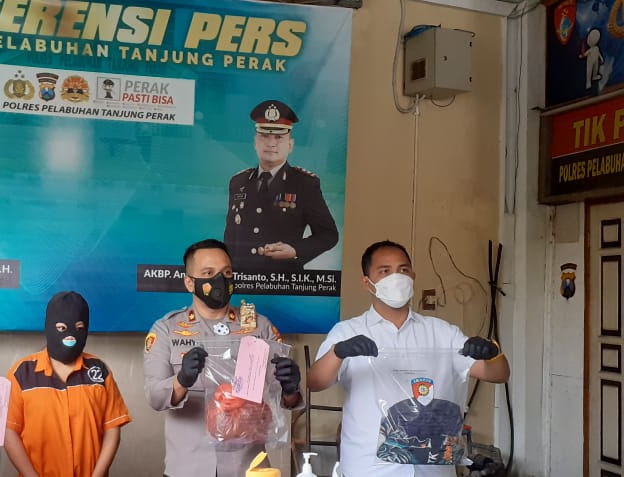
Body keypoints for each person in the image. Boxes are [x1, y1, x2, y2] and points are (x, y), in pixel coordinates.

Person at [306, 240, 511, 477]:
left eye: (403, 270)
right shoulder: (347, 332)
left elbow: (499, 374)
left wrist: (492, 354)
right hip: (370, 468)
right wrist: (338, 352)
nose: (396, 277)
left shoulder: (441, 333)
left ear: (413, 276)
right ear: (367, 282)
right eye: (385, 271)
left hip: (433, 469)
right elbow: (315, 382)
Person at [142, 239, 303, 477]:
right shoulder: (167, 329)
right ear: (189, 282)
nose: (220, 279)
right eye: (208, 273)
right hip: (188, 468)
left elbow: (284, 400)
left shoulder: (259, 327)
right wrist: (181, 381)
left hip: (247, 467)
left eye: (226, 273)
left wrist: (290, 389)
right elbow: (154, 397)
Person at [4, 291, 131, 477]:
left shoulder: (99, 372)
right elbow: (9, 431)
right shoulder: (22, 373)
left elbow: (112, 429)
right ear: (49, 327)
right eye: (62, 328)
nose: (71, 336)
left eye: (79, 328)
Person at [223, 99, 338, 272]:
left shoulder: (305, 184)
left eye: (279, 137)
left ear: (290, 145)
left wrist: (295, 250)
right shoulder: (238, 182)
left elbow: (328, 235)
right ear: (255, 142)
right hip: (242, 278)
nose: (271, 143)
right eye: (264, 136)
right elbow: (231, 236)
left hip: (283, 280)